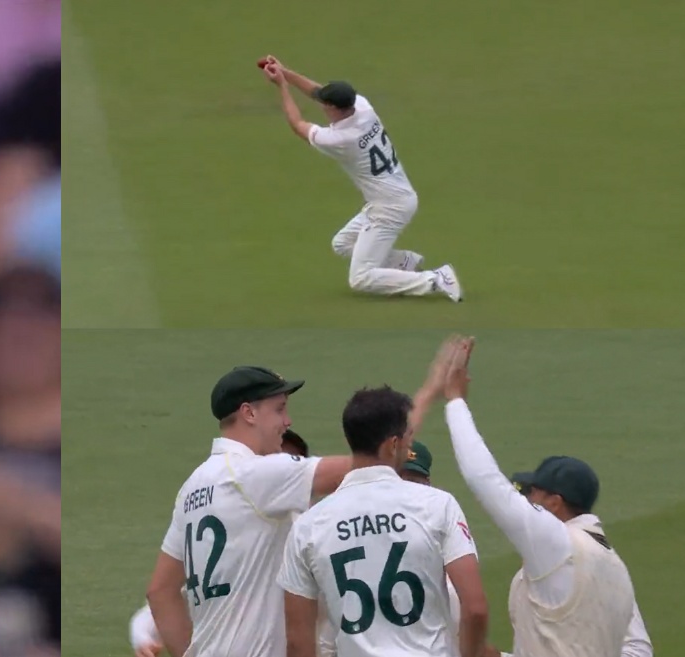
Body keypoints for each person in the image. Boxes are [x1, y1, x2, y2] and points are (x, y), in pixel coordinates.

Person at [441, 335, 649, 657]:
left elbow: (483, 480)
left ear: (555, 502)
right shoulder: (613, 565)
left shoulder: (557, 543)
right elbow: (637, 650)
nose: (526, 500)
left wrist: (455, 401)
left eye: (533, 493)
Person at [145, 367, 354, 657]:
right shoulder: (251, 474)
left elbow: (160, 591)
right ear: (249, 413)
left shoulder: (192, 487)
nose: (287, 421)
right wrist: (396, 449)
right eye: (279, 409)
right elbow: (359, 469)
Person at [278, 385, 489, 657]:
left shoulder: (308, 526)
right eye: (408, 437)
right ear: (392, 444)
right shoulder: (438, 505)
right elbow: (475, 608)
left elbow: (297, 642)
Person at [257, 55, 462, 302]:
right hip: (393, 197)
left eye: (325, 105)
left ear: (333, 108)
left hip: (390, 207)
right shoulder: (363, 106)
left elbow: (297, 124)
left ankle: (435, 279)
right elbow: (318, 92)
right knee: (342, 243)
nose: (322, 106)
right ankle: (403, 263)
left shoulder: (341, 140)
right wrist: (285, 72)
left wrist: (282, 86)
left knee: (361, 278)